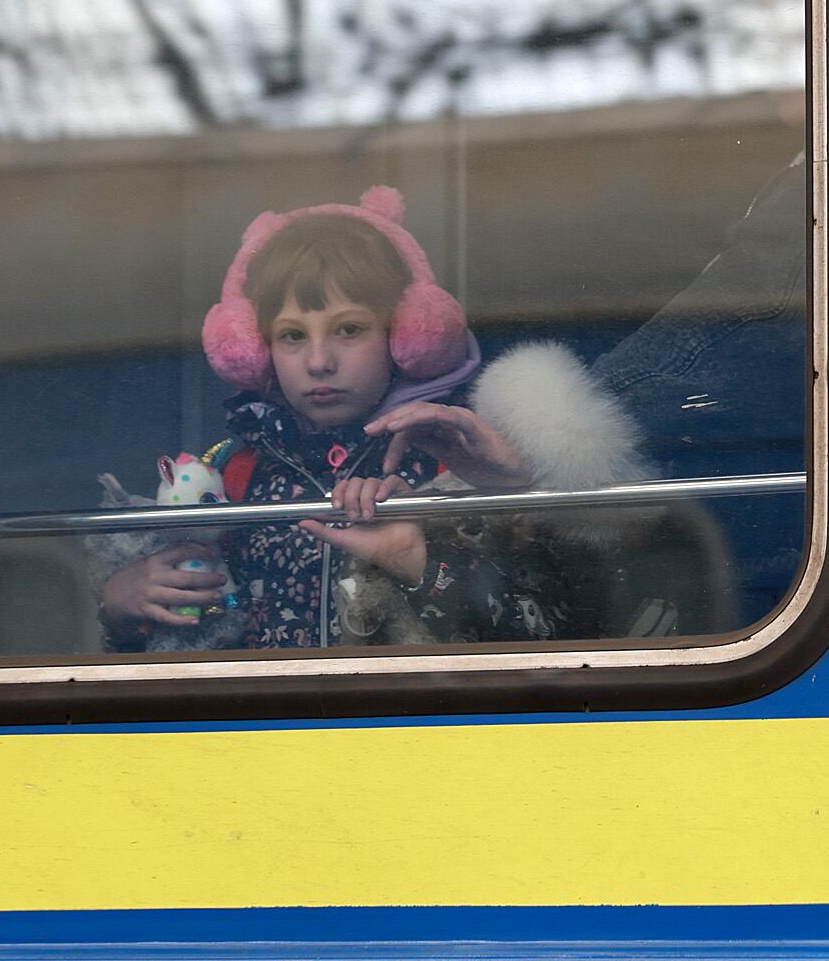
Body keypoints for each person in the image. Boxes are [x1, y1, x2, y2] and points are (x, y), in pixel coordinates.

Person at [94, 186, 655, 651]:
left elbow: (551, 639)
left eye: (349, 329)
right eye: (292, 336)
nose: (318, 361)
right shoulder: (232, 477)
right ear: (254, 349)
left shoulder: (458, 461)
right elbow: (190, 647)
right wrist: (121, 608)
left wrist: (419, 560)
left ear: (410, 336)